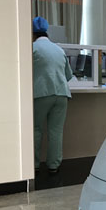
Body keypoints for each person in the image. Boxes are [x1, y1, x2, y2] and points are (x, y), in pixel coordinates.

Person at [32, 16, 73, 173]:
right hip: (62, 94)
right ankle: (53, 165)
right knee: (56, 131)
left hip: (41, 93)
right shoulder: (59, 50)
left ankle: (34, 165)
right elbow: (68, 75)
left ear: (32, 33)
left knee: (36, 129)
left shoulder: (32, 48)